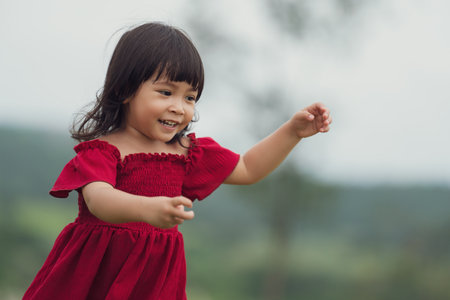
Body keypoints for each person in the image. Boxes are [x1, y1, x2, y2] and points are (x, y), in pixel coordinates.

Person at [23, 22, 332, 300]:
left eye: (189, 97)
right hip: (93, 280)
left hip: (154, 285)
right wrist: (146, 208)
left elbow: (249, 168)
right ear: (124, 89)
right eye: (166, 92)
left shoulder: (185, 153)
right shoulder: (103, 151)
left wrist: (292, 132)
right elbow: (99, 199)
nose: (178, 107)